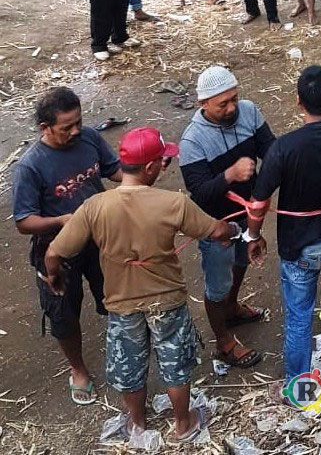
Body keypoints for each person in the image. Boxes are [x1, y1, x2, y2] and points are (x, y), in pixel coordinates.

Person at [44, 127, 240, 443]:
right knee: (175, 365)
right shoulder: (173, 203)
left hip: (122, 303)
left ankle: (136, 424)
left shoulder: (95, 206)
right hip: (167, 302)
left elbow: (54, 252)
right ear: (149, 167)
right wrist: (233, 229)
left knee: (130, 365)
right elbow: (216, 231)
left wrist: (54, 276)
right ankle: (183, 424)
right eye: (162, 162)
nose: (164, 167)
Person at [244, 66, 321, 396]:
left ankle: (300, 390)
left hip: (300, 248)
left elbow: (258, 203)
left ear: (298, 101)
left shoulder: (285, 148)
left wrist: (253, 236)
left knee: (300, 318)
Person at [11, 87, 121, 405]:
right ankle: (78, 370)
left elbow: (112, 170)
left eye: (78, 122)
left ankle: (122, 350)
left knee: (115, 298)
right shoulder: (30, 167)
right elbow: (23, 221)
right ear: (44, 128)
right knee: (63, 313)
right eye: (66, 127)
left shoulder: (88, 137)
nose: (76, 131)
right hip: (57, 250)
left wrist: (140, 169)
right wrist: (63, 221)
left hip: (100, 240)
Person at [179, 66, 275, 369]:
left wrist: (258, 200)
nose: (232, 108)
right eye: (223, 104)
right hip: (216, 226)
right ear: (203, 104)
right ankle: (223, 341)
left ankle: (231, 308)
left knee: (242, 262)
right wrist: (230, 175)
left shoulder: (249, 112)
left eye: (234, 98)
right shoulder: (192, 142)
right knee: (216, 284)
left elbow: (271, 152)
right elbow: (200, 194)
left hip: (248, 214)